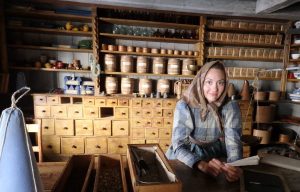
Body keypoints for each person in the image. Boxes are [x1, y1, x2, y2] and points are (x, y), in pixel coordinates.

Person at [166, 60, 242, 182]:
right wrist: (201, 164)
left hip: (215, 153)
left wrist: (234, 166)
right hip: (188, 153)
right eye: (209, 82)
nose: (215, 89)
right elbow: (179, 146)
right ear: (200, 82)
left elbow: (233, 143)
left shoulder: (230, 107)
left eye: (220, 83)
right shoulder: (185, 105)